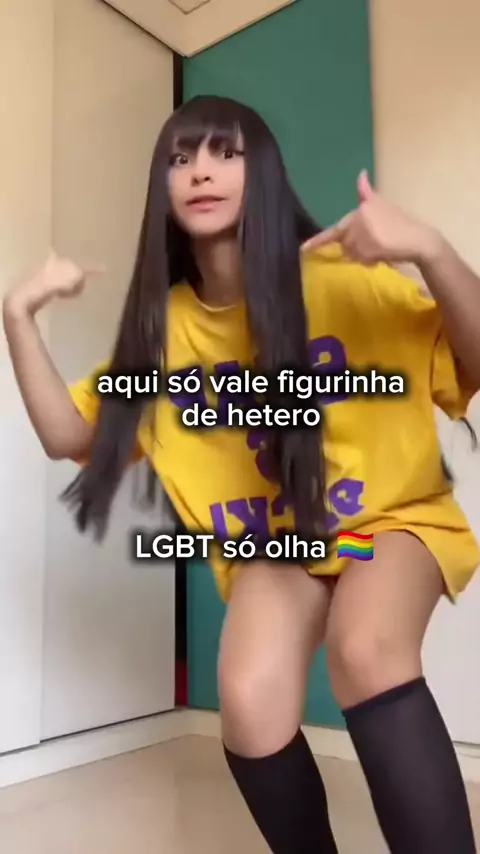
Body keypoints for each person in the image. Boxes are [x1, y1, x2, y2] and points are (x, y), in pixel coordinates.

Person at [3, 94, 480, 853]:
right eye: (180, 158)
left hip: (393, 516)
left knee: (365, 647)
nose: (201, 171)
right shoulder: (162, 336)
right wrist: (17, 315)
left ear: (265, 172)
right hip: (282, 541)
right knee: (250, 699)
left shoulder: (339, 273)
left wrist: (431, 249)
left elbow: (474, 361)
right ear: (162, 188)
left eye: (227, 152)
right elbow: (69, 435)